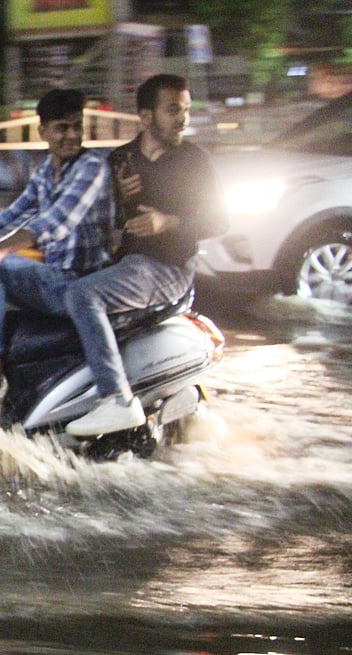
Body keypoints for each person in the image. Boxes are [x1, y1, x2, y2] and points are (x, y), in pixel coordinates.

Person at [60, 73, 227, 436]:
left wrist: (167, 222)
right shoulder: (121, 161)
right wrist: (116, 203)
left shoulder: (194, 160)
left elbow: (219, 221)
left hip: (167, 270)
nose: (183, 118)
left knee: (81, 295)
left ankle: (116, 399)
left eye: (184, 109)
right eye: (173, 110)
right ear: (147, 116)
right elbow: (101, 221)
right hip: (124, 265)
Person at [0, 87, 115, 400]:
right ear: (44, 131)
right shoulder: (46, 171)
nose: (71, 135)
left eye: (77, 126)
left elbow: (54, 223)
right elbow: (14, 213)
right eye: (62, 128)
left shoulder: (92, 168)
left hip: (79, 283)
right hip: (54, 276)